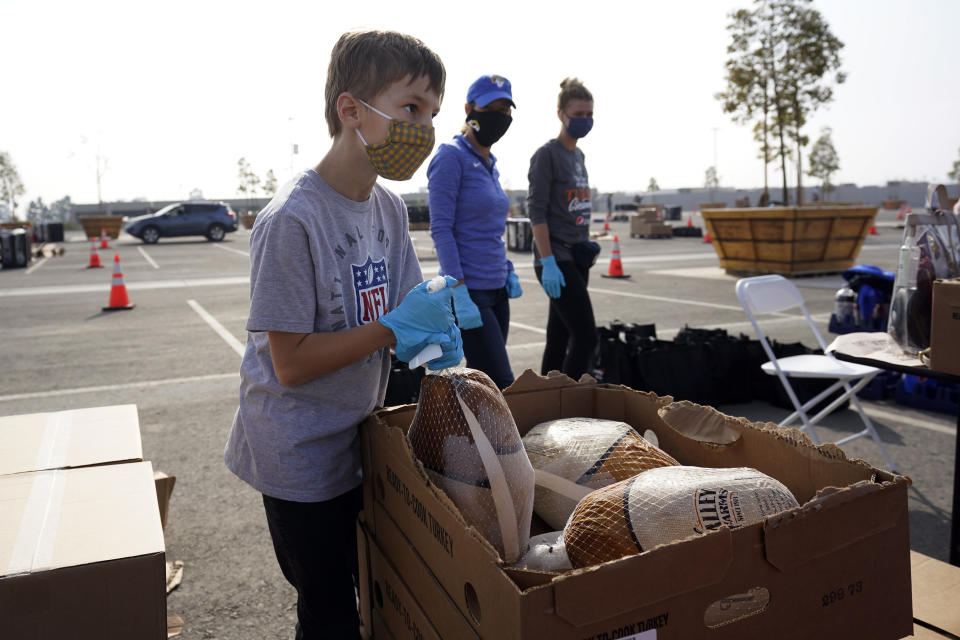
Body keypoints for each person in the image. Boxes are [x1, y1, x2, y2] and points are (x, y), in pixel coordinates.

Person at [224, 30, 461, 640]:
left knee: (374, 579)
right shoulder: (292, 220)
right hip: (298, 452)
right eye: (411, 109)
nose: (425, 129)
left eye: (433, 114)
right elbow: (292, 364)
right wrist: (391, 328)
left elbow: (407, 310)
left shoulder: (386, 208)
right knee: (327, 607)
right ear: (351, 109)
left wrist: (435, 333)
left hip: (360, 434)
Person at [427, 74, 522, 389]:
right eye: (491, 108)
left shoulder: (490, 162)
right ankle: (497, 441)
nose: (499, 116)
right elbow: (441, 228)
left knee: (485, 384)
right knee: (501, 384)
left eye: (505, 110)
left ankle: (476, 438)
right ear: (469, 108)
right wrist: (458, 289)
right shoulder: (451, 157)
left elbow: (489, 227)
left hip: (497, 289)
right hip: (471, 291)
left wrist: (507, 267)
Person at [527, 77, 599, 380]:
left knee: (559, 337)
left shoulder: (578, 156)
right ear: (561, 114)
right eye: (578, 115)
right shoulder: (547, 155)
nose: (584, 121)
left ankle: (547, 397)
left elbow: (572, 208)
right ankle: (569, 403)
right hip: (556, 259)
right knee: (586, 337)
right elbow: (537, 212)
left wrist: (586, 240)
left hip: (576, 257)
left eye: (588, 115)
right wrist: (548, 262)